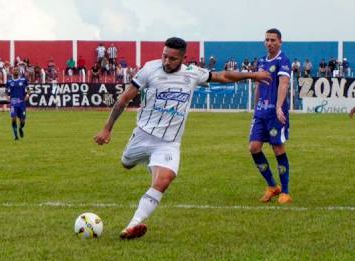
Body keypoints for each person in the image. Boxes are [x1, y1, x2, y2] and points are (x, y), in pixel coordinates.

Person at [94, 37, 271, 239]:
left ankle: (133, 225)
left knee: (165, 179)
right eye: (164, 56)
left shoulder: (192, 73)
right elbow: (124, 99)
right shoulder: (149, 69)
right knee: (126, 163)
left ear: (182, 59)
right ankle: (146, 161)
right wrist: (107, 129)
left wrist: (253, 75)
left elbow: (223, 76)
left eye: (172, 59)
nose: (166, 62)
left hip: (169, 143)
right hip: (142, 136)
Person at [249, 28, 292, 205]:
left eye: (273, 40)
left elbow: (284, 84)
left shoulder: (283, 60)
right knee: (254, 147)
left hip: (276, 112)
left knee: (277, 149)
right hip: (261, 112)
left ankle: (286, 192)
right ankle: (272, 186)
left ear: (280, 42)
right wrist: (255, 109)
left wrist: (279, 107)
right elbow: (259, 86)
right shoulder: (261, 61)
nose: (269, 43)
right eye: (267, 40)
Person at [6, 66, 29, 140]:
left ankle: (20, 128)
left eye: (17, 70)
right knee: (13, 118)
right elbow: (6, 91)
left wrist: (27, 95)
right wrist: (7, 97)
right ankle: (16, 135)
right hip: (13, 103)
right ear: (12, 71)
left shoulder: (23, 80)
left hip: (22, 103)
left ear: (19, 71)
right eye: (14, 70)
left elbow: (28, 89)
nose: (15, 71)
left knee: (22, 121)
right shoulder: (9, 81)